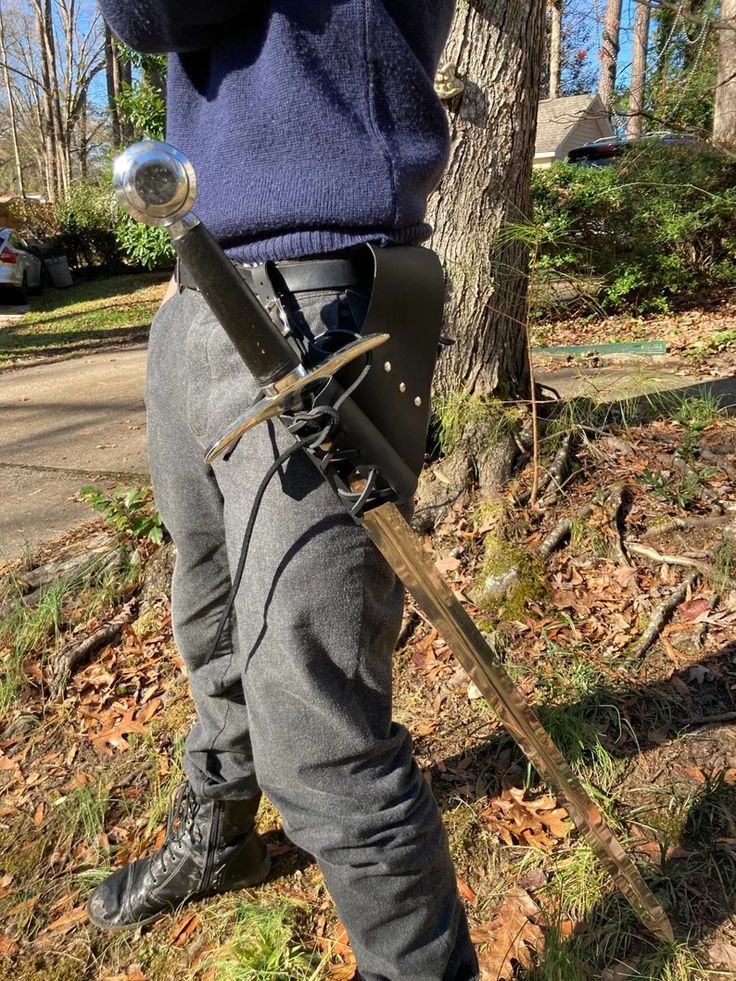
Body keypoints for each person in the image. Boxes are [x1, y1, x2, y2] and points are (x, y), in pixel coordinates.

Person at [91, 3, 480, 979]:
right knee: (210, 618)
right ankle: (217, 835)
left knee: (316, 722)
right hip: (204, 290)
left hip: (317, 303)